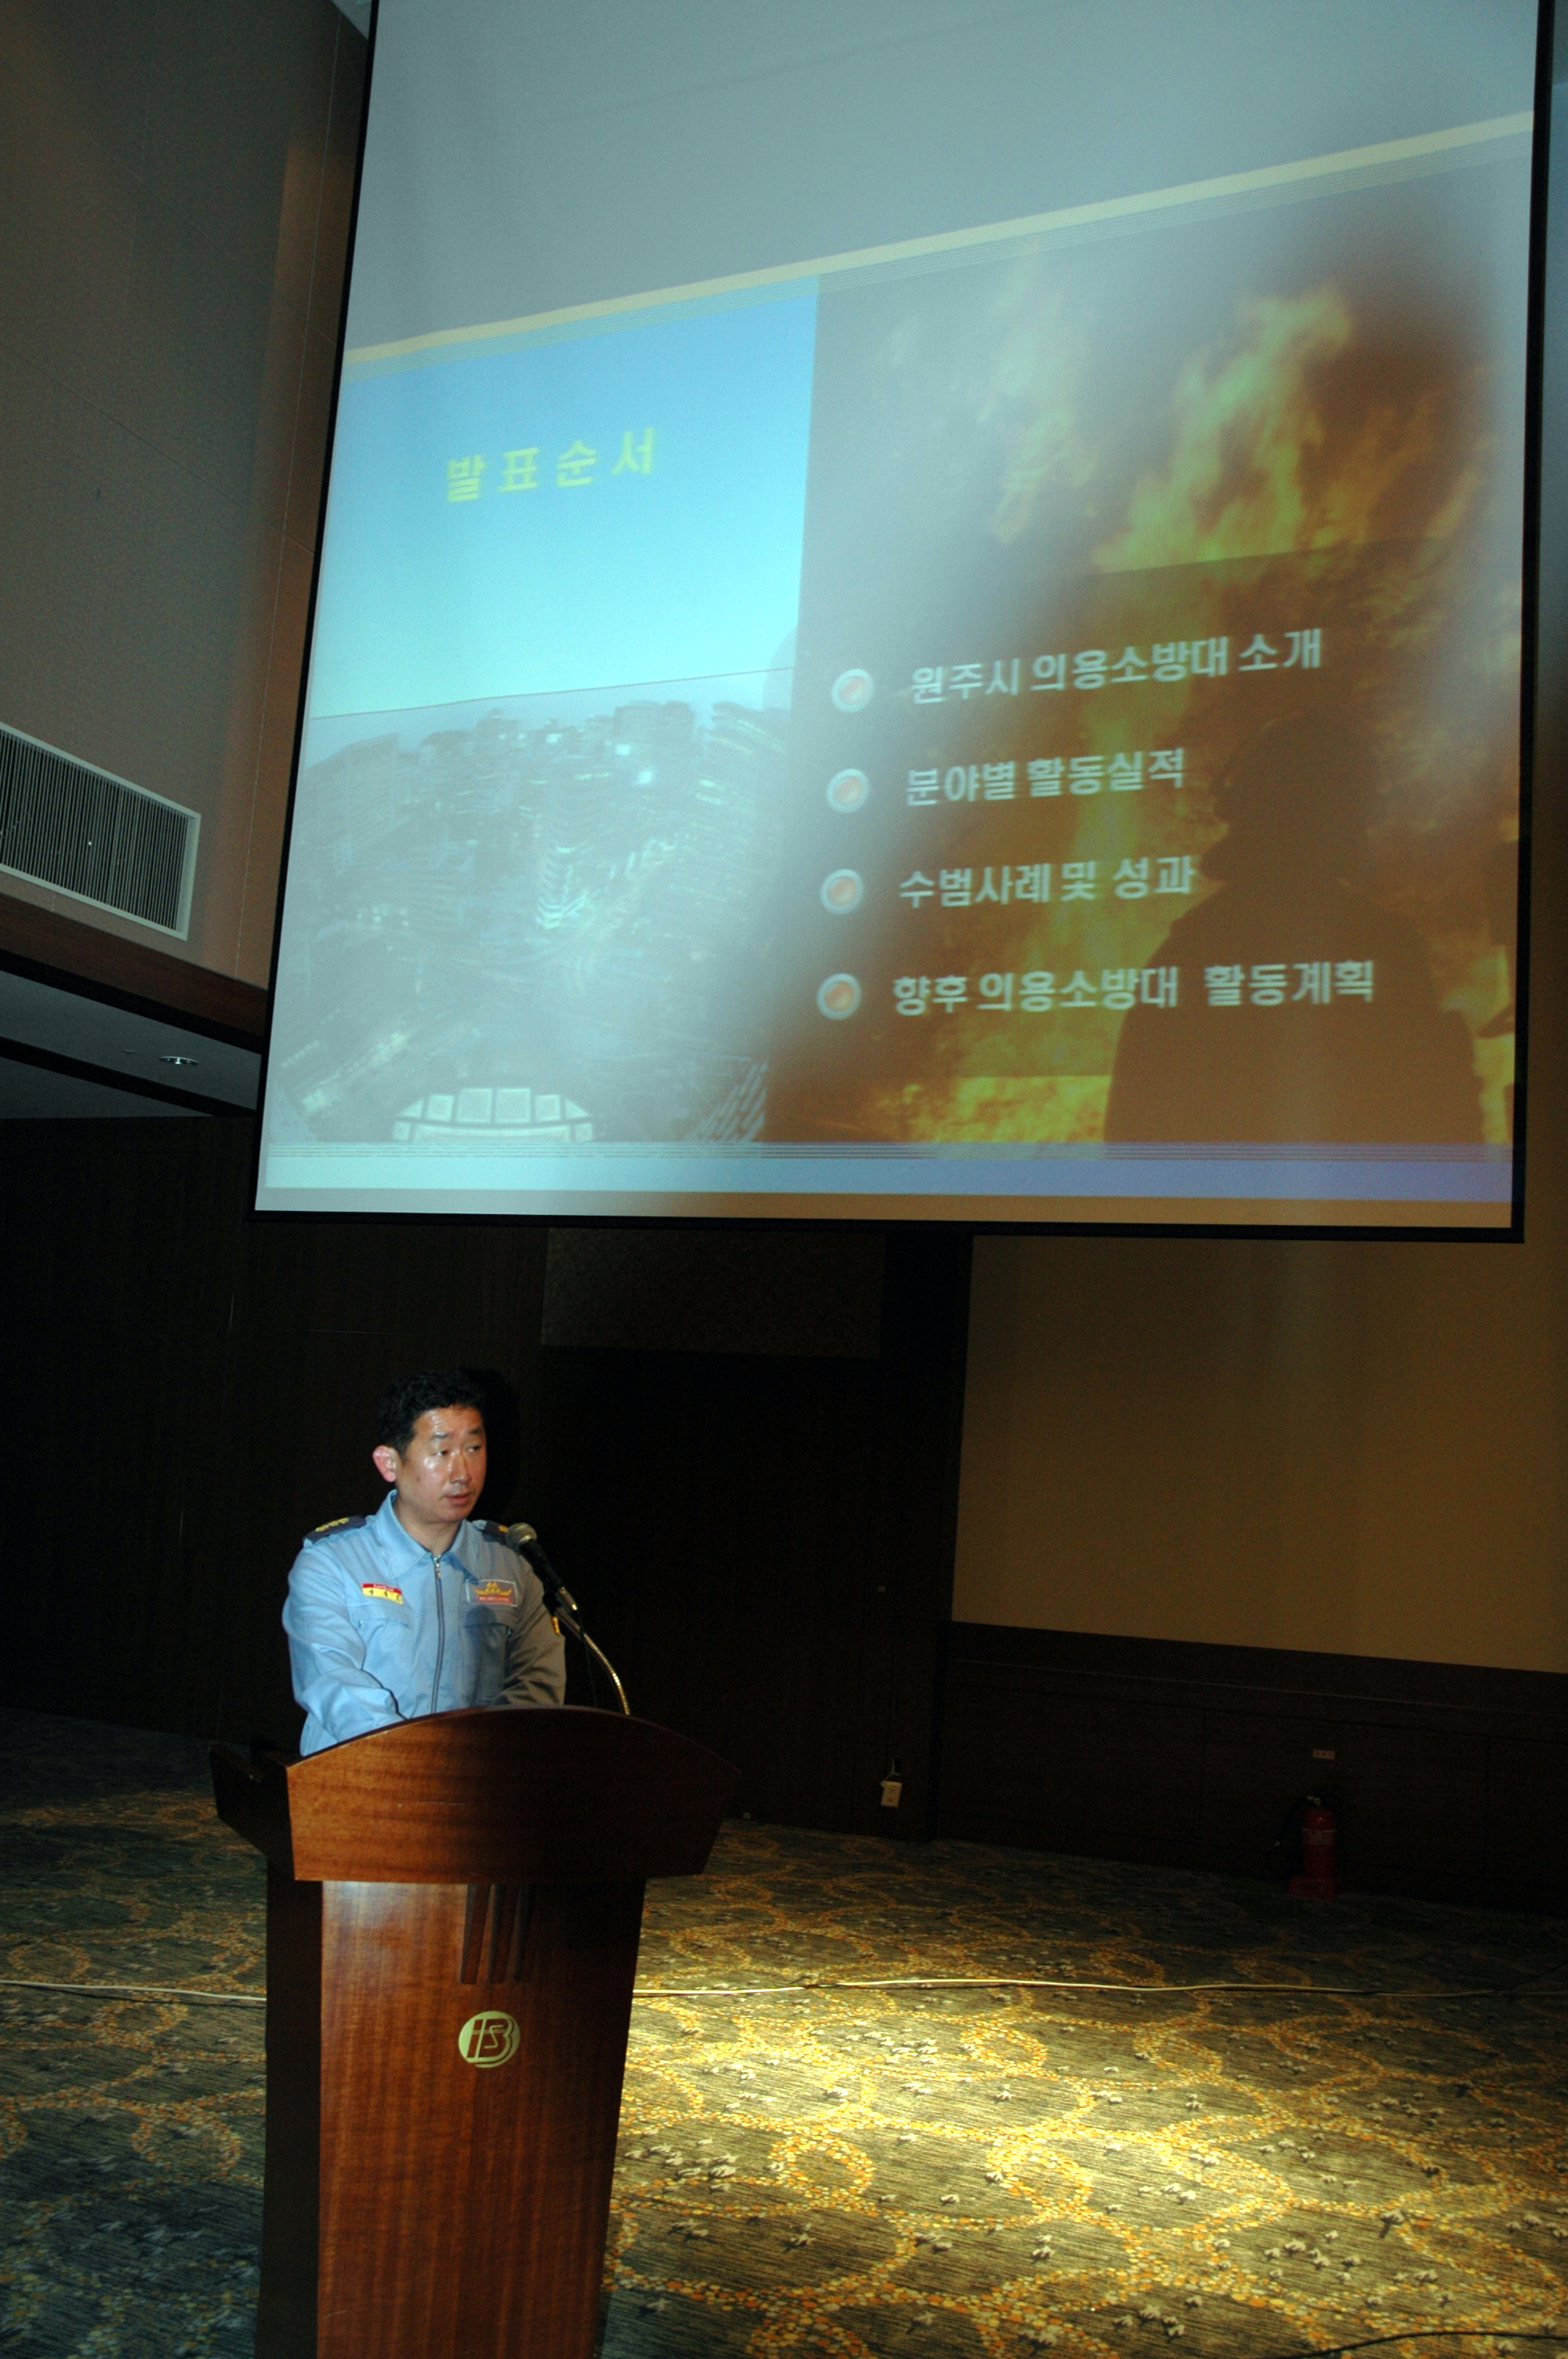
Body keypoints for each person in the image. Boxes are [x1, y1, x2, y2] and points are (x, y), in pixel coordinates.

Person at [1105, 711, 1482, 1144]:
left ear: (1240, 810)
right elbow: (1437, 1123)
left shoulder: (1185, 952)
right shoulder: (1384, 944)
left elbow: (1130, 1135)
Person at [283, 1369, 566, 1756]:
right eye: (442, 1452)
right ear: (389, 1463)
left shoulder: (512, 1565)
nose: (463, 1473)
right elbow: (333, 1682)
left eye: (474, 1448)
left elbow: (537, 1683)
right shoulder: (333, 1562)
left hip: (476, 1778)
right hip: (357, 1775)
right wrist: (420, 1763)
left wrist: (479, 1761)